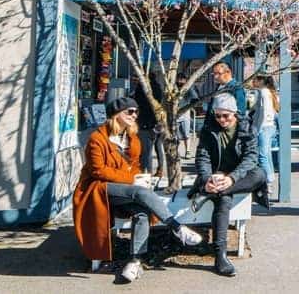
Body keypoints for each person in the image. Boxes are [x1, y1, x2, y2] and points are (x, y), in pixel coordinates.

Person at [73, 97, 202, 283]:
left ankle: (134, 262)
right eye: (129, 112)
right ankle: (177, 227)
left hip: (123, 190)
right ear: (116, 115)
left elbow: (134, 167)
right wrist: (133, 180)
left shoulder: (132, 139)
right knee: (140, 192)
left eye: (136, 112)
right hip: (97, 189)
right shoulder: (97, 139)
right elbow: (97, 170)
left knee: (141, 213)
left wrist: (140, 177)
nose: (134, 115)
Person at [189, 93, 267, 277]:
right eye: (218, 115)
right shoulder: (209, 129)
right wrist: (208, 178)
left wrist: (231, 178)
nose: (222, 120)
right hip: (217, 176)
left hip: (239, 176)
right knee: (223, 200)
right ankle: (220, 256)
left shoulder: (247, 128)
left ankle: (209, 193)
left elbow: (250, 157)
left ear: (234, 113)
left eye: (226, 116)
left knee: (260, 174)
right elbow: (202, 157)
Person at [133, 71, 166, 177]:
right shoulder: (158, 87)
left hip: (147, 123)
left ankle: (146, 173)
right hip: (158, 120)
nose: (135, 79)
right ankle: (159, 169)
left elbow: (141, 104)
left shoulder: (143, 89)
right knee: (157, 146)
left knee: (146, 150)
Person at [250, 75, 279, 192]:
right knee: (267, 155)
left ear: (261, 81)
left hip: (264, 127)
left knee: (262, 155)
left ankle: (268, 181)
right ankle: (270, 177)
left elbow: (264, 112)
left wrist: (258, 128)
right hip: (270, 126)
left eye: (255, 79)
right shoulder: (269, 93)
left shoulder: (263, 93)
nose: (253, 81)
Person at [204, 62, 246, 130]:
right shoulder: (219, 86)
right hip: (214, 127)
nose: (215, 76)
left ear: (228, 72)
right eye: (214, 73)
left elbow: (241, 111)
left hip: (227, 129)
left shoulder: (236, 87)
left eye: (218, 73)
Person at [176, 73, 199, 159]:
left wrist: (188, 107)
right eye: (178, 79)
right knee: (175, 136)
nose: (180, 81)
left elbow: (195, 99)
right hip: (175, 115)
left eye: (182, 79)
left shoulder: (188, 88)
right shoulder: (173, 87)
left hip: (185, 114)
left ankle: (188, 151)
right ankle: (176, 152)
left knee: (186, 134)